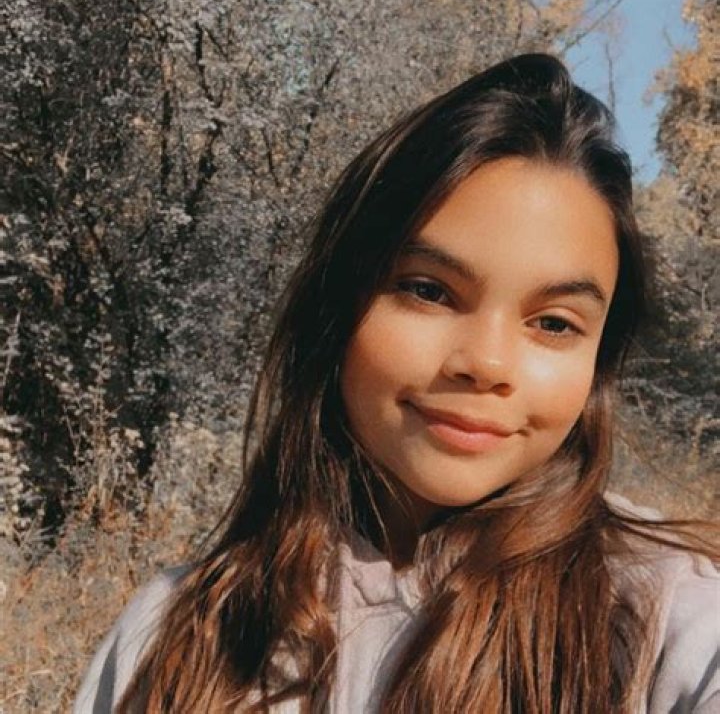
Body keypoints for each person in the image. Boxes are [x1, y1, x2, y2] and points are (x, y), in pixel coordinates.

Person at [74, 53, 718, 713]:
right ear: (340, 304)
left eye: (554, 323)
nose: (487, 364)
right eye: (428, 291)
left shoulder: (668, 624)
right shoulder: (179, 634)